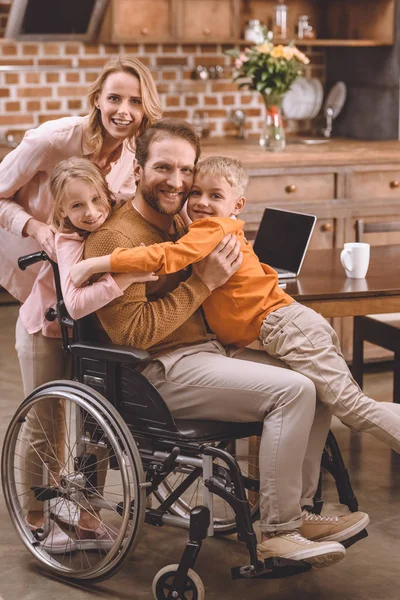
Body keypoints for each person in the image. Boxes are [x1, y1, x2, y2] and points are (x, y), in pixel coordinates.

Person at [83, 119, 369, 568]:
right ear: (136, 169)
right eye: (163, 167)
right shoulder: (116, 238)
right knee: (292, 391)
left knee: (315, 383)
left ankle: (299, 511)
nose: (177, 182)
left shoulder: (183, 222)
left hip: (211, 352)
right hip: (159, 370)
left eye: (186, 170)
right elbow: (131, 333)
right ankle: (278, 532)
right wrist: (201, 284)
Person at [74, 155, 400, 456]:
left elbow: (166, 256)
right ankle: (301, 505)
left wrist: (99, 264)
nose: (202, 202)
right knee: (335, 398)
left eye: (215, 196)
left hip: (288, 328)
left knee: (351, 408)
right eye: (196, 193)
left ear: (237, 204)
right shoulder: (202, 228)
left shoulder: (210, 229)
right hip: (285, 327)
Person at [0, 56, 161, 551]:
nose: (124, 110)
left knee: (99, 419)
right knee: (46, 416)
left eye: (135, 101)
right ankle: (34, 514)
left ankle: (87, 515)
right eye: (114, 98)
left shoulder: (137, 155)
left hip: (95, 316)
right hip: (48, 303)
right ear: (97, 99)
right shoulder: (53, 141)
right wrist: (40, 229)